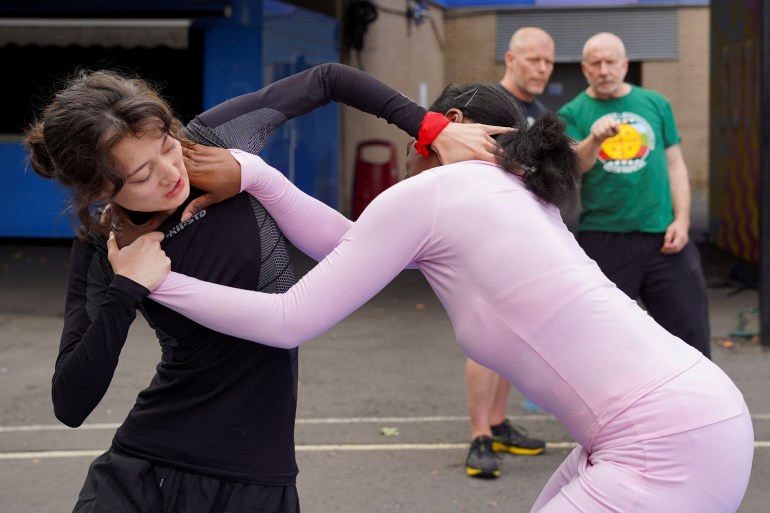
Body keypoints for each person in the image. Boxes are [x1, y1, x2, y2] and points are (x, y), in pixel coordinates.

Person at [128, 83, 753, 513]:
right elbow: (353, 250)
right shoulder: (510, 193)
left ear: (448, 128)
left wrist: (157, 279)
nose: (407, 140)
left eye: (415, 128)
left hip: (663, 441)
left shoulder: (439, 192)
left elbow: (292, 318)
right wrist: (259, 176)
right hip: (683, 423)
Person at [24, 64, 507, 513]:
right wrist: (126, 289)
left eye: (167, 145)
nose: (172, 173)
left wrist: (431, 128)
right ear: (103, 190)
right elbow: (71, 403)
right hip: (144, 477)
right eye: (142, 175)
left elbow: (328, 80)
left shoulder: (214, 142)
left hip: (259, 479)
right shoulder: (106, 244)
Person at [558, 32, 711, 358]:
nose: (604, 70)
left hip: (664, 237)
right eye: (595, 64)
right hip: (606, 239)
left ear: (624, 65)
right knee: (606, 343)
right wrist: (594, 140)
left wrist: (682, 220)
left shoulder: (655, 103)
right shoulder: (573, 113)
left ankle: (695, 407)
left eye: (610, 62)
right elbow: (574, 168)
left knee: (691, 334)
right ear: (585, 69)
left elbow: (675, 164)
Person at [462, 26, 556, 479]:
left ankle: (498, 423)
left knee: (514, 336)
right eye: (534, 59)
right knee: (486, 338)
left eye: (548, 62)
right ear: (510, 58)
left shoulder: (538, 112)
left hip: (528, 238)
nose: (542, 68)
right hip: (488, 235)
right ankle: (480, 436)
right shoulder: (488, 106)